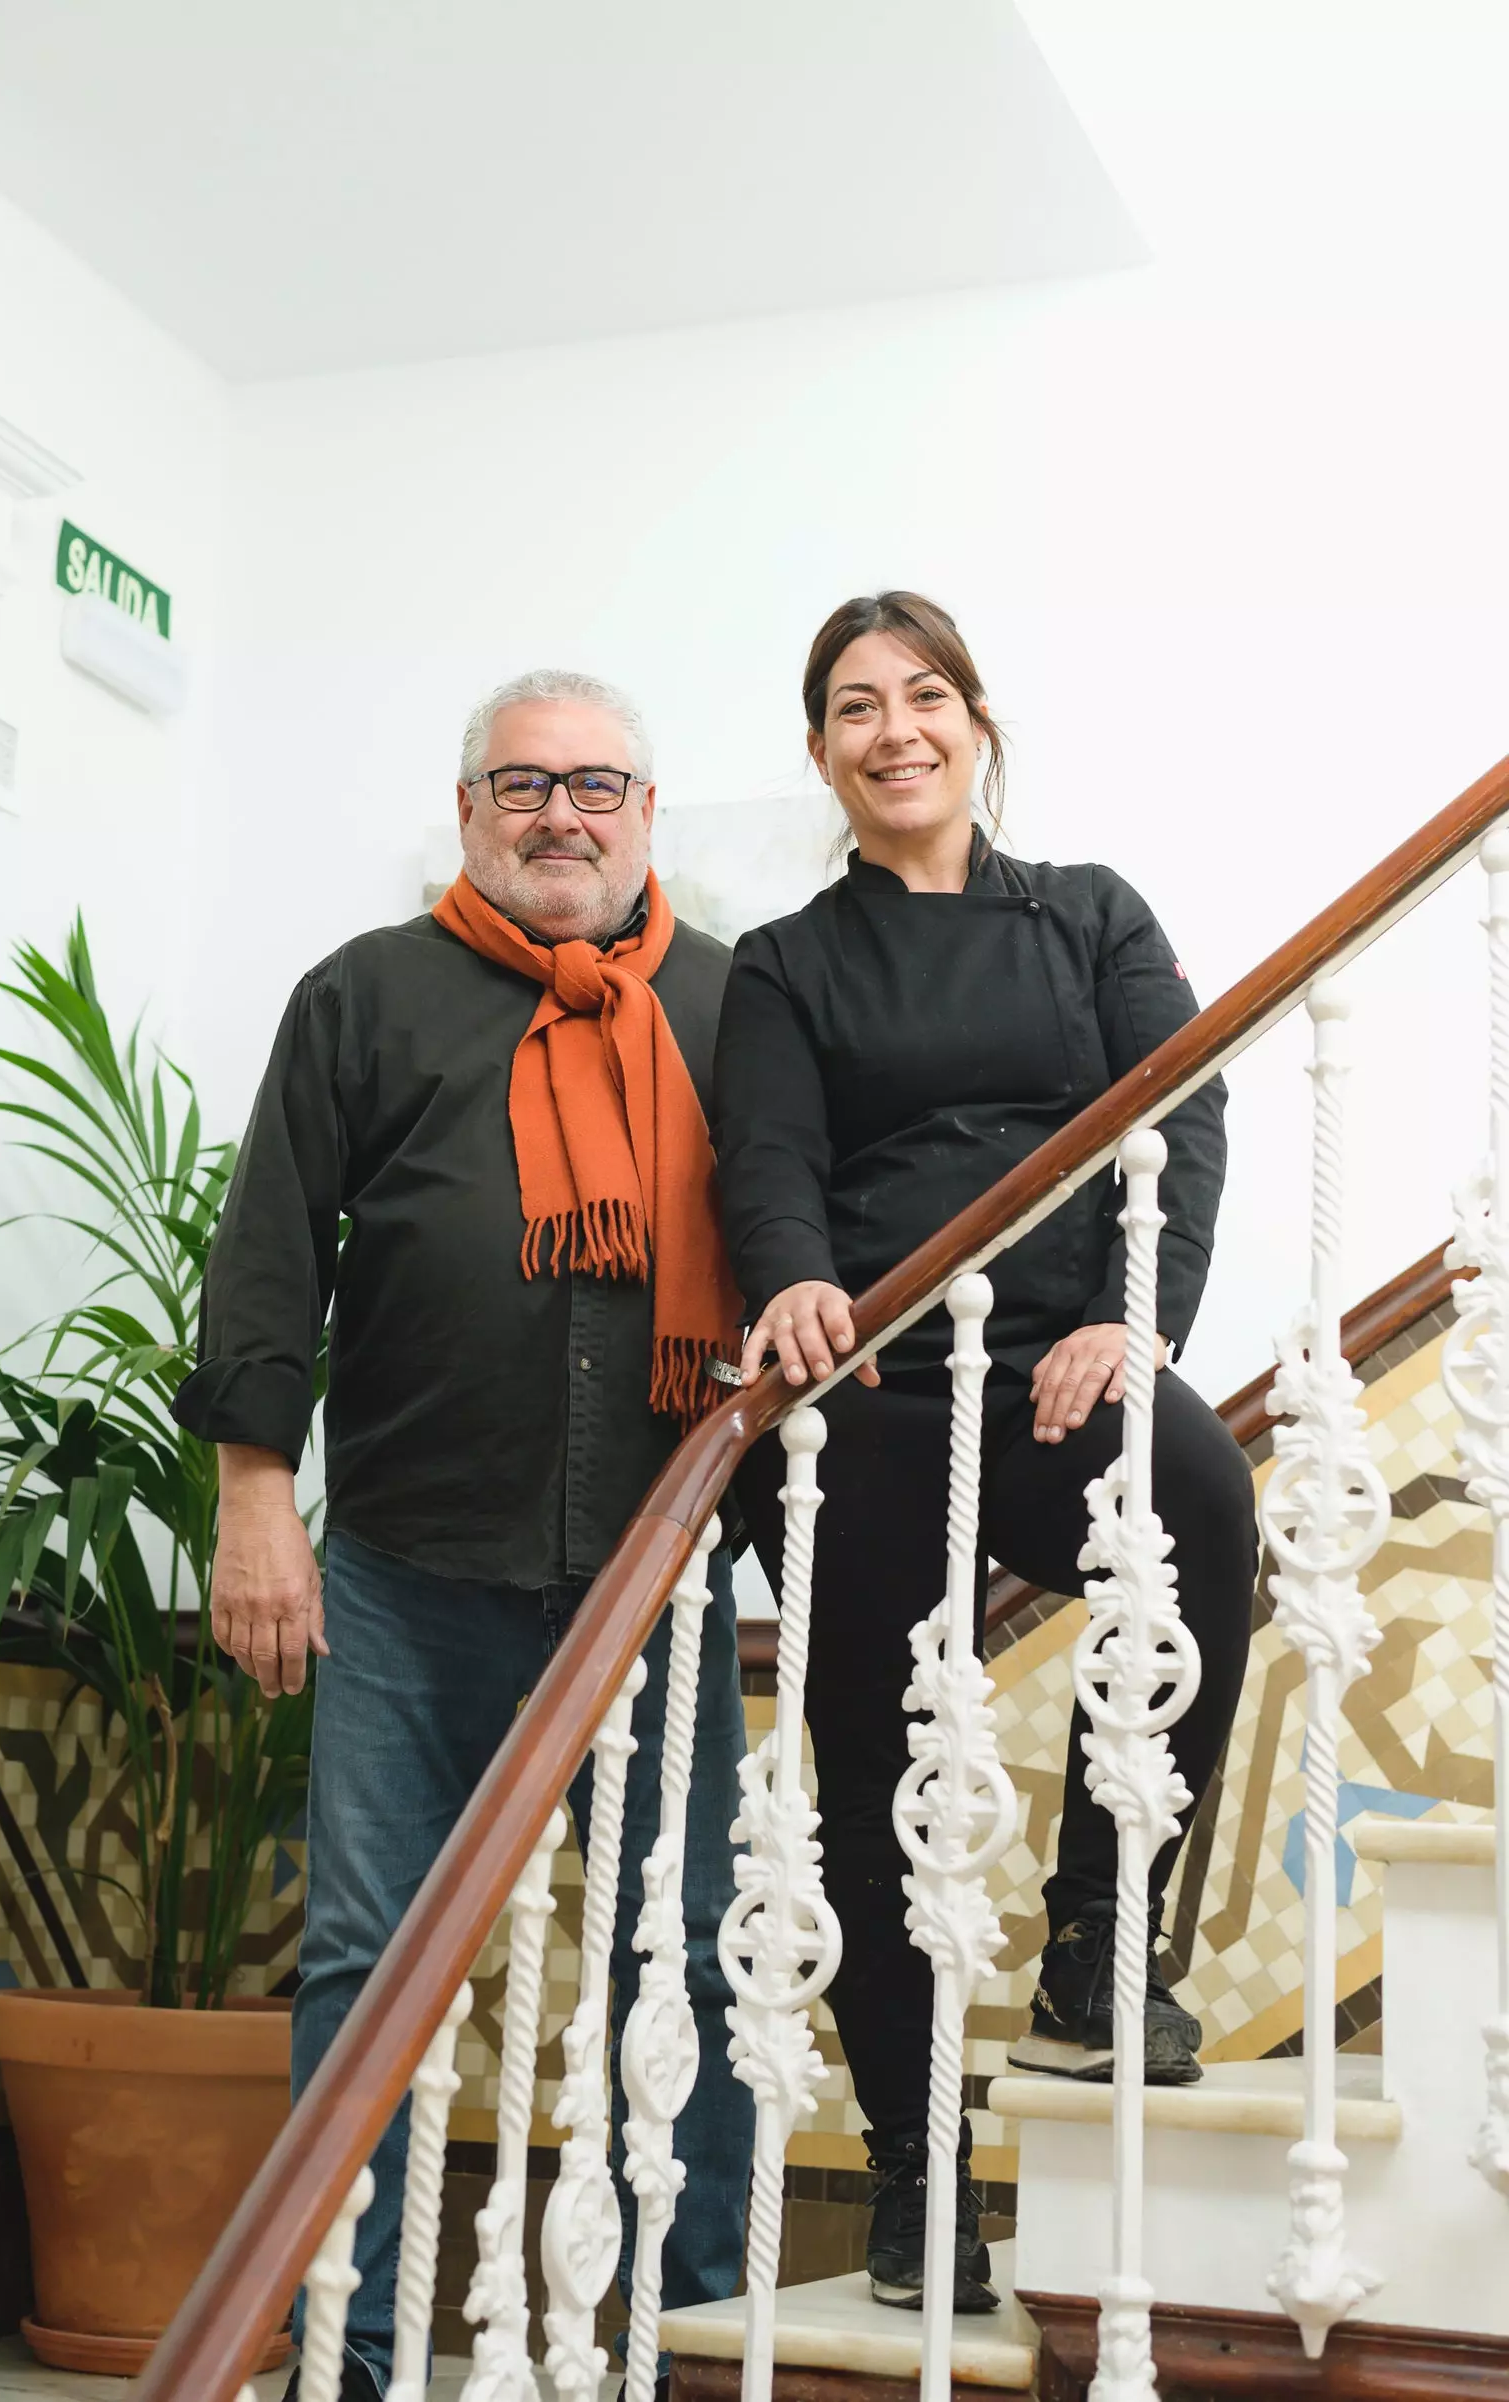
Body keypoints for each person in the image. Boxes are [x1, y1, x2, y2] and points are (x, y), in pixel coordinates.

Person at [173, 669, 754, 2402]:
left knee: (688, 1957)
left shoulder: (734, 1005)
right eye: (523, 783)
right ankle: (345, 2357)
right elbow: (271, 1244)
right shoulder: (365, 995)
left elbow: (812, 1228)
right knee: (362, 1960)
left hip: (654, 1580)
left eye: (595, 783)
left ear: (649, 811)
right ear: (469, 810)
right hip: (411, 1573)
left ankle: (701, 2330)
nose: (559, 813)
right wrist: (255, 1496)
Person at [713, 591, 1257, 2315]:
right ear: (822, 752)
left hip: (1058, 1357)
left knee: (1204, 1493)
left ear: (976, 719)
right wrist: (801, 1280)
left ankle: (1100, 1940)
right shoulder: (786, 964)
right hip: (874, 1379)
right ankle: (909, 2167)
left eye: (925, 694)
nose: (896, 729)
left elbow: (1187, 1106)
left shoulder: (1093, 917)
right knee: (870, 1757)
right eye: (857, 706)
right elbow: (769, 1163)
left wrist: (1135, 1314)